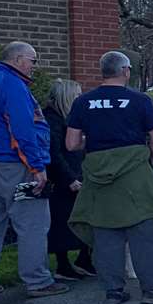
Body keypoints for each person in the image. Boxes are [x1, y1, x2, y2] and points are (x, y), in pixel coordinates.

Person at [65, 51, 153, 304]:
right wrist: (145, 157)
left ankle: (113, 291)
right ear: (126, 71)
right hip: (135, 174)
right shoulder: (140, 101)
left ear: (102, 72)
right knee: (144, 232)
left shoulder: (83, 102)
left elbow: (71, 144)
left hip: (98, 175)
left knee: (105, 233)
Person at [0, 42, 65, 299]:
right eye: (32, 61)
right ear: (17, 59)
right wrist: (37, 167)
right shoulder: (14, 84)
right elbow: (23, 128)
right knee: (33, 221)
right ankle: (38, 281)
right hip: (17, 164)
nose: (34, 67)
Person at [43, 79, 94, 281]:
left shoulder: (67, 119)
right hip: (63, 180)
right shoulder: (52, 121)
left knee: (85, 218)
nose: (80, 99)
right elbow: (54, 153)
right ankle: (63, 264)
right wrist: (69, 178)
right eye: (77, 95)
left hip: (75, 174)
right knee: (62, 221)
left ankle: (83, 258)